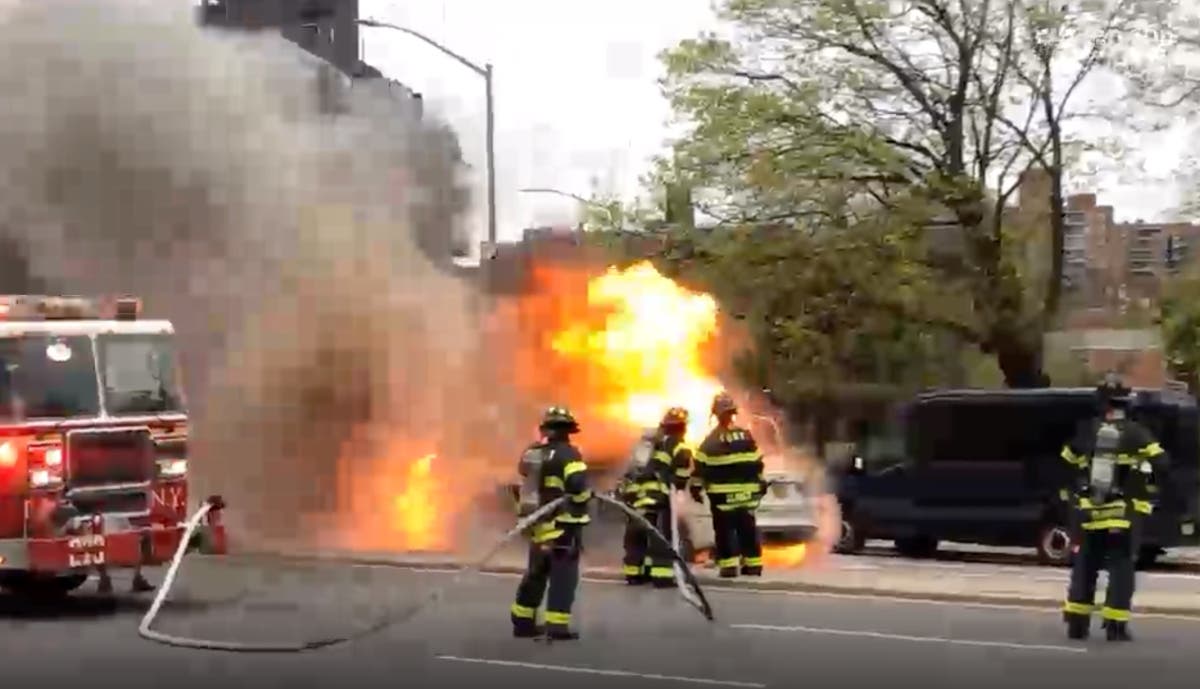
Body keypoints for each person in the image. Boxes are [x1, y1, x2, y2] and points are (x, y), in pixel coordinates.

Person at [1060, 373, 1167, 642]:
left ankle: (1077, 623)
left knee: (1085, 567)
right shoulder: (1136, 432)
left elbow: (1066, 462)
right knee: (1121, 570)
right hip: (1122, 517)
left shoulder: (1087, 431)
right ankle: (1115, 626)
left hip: (1089, 516)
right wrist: (1150, 487)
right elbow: (1162, 463)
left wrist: (1073, 496)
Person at [510, 406, 592, 641]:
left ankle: (522, 622)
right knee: (563, 578)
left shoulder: (532, 453)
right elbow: (576, 485)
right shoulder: (570, 454)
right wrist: (584, 497)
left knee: (535, 574)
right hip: (562, 527)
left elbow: (523, 479)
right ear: (569, 430)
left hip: (537, 525)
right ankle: (557, 626)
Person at [619, 408, 694, 588]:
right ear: (682, 427)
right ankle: (662, 577)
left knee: (636, 535)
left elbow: (633, 469)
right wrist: (679, 491)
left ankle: (634, 574)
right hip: (658, 498)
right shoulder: (680, 447)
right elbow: (681, 477)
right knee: (661, 537)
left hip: (635, 495)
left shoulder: (649, 445)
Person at [693, 392, 765, 578]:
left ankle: (729, 567)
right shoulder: (746, 436)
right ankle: (753, 566)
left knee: (725, 531)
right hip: (747, 496)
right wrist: (758, 484)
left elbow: (699, 468)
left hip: (722, 497)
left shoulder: (711, 441)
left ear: (716, 414)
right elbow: (758, 463)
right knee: (747, 529)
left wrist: (696, 487)